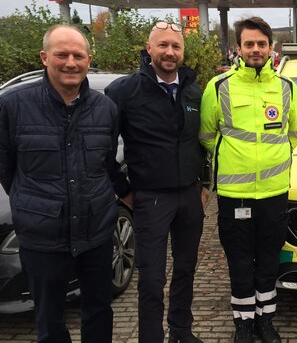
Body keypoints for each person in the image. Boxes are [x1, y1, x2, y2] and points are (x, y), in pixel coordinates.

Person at [0, 25, 123, 342]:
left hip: (95, 235)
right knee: (50, 320)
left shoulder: (105, 109)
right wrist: (33, 207)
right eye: (61, 55)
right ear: (44, 58)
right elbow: (7, 170)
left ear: (88, 59)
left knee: (98, 312)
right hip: (43, 239)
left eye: (78, 55)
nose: (71, 62)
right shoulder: (12, 107)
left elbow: (107, 164)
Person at [199, 16, 297, 343]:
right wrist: (237, 159)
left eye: (261, 43)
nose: (256, 49)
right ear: (239, 48)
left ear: (270, 47)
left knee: (269, 260)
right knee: (240, 261)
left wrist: (272, 159)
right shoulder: (219, 87)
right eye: (249, 44)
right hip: (235, 194)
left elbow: (296, 132)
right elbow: (206, 135)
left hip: (274, 193)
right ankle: (243, 323)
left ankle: (265, 321)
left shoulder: (286, 87)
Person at [105, 21, 209, 343]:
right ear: (149, 48)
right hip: (149, 198)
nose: (169, 52)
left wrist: (205, 184)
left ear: (183, 52)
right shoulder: (123, 91)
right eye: (162, 45)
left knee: (186, 270)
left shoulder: (195, 90)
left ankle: (181, 331)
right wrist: (124, 190)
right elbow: (104, 149)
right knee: (151, 279)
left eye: (176, 46)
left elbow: (202, 142)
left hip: (190, 197)